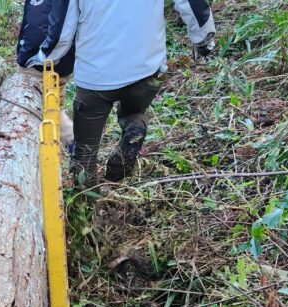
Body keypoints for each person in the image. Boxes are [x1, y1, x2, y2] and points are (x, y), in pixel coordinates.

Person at [27, 0, 217, 187]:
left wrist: (45, 58)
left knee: (85, 151)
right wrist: (204, 39)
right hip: (147, 67)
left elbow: (63, 29)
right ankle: (135, 124)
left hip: (96, 75)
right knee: (133, 111)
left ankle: (85, 199)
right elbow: (192, 4)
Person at [15, 0, 76, 149]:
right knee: (52, 110)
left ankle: (76, 146)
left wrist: (33, 58)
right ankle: (59, 149)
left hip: (42, 65)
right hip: (51, 61)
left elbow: (44, 29)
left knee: (29, 111)